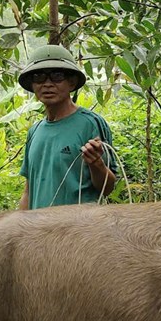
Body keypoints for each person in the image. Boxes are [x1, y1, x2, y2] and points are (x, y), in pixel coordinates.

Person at [17, 45, 117, 210]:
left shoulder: (90, 124)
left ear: (71, 83)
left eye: (57, 76)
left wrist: (96, 163)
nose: (47, 84)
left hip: (77, 230)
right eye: (39, 77)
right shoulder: (34, 131)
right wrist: (18, 229)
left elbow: (107, 188)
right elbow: (28, 191)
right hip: (39, 231)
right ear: (32, 85)